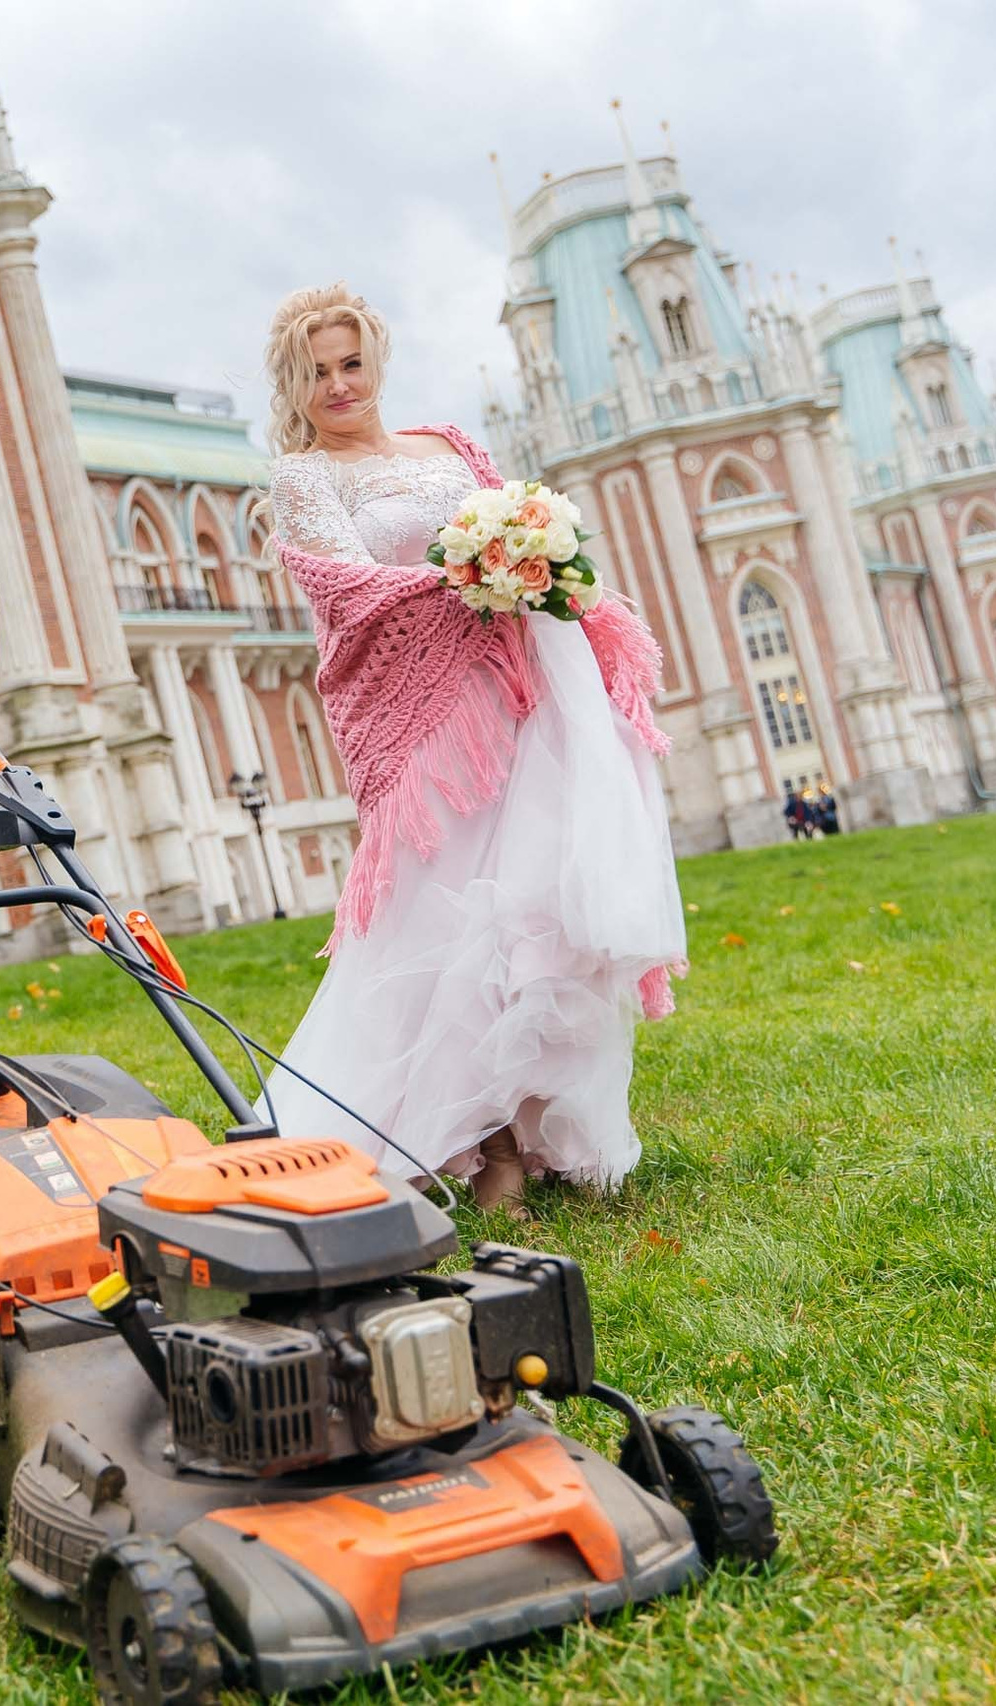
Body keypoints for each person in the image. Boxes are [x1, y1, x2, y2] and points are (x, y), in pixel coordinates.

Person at [256, 286, 685, 1216]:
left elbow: (520, 529)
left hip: (519, 701)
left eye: (352, 363)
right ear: (293, 385)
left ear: (377, 359)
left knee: (530, 913)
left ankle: (537, 1128)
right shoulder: (303, 479)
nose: (340, 385)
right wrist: (479, 570)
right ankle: (487, 1155)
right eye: (318, 372)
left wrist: (529, 558)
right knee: (447, 926)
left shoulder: (448, 444)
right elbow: (353, 594)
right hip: (422, 728)